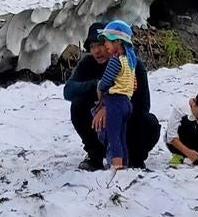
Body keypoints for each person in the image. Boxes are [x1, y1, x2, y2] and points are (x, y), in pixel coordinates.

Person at [64, 22, 160, 170]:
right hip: (98, 125)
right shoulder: (88, 64)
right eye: (92, 47)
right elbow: (68, 91)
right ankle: (94, 155)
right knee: (78, 105)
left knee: (150, 123)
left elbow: (143, 105)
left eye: (101, 44)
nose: (96, 51)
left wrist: (112, 108)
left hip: (126, 123)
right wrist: (97, 87)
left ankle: (134, 158)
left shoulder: (133, 65)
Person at [96, 20, 138, 170]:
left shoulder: (115, 61)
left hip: (115, 102)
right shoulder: (131, 61)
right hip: (127, 102)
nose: (105, 44)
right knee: (122, 136)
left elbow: (105, 81)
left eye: (107, 40)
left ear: (118, 41)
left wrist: (101, 88)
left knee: (113, 136)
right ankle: (124, 164)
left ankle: (117, 166)